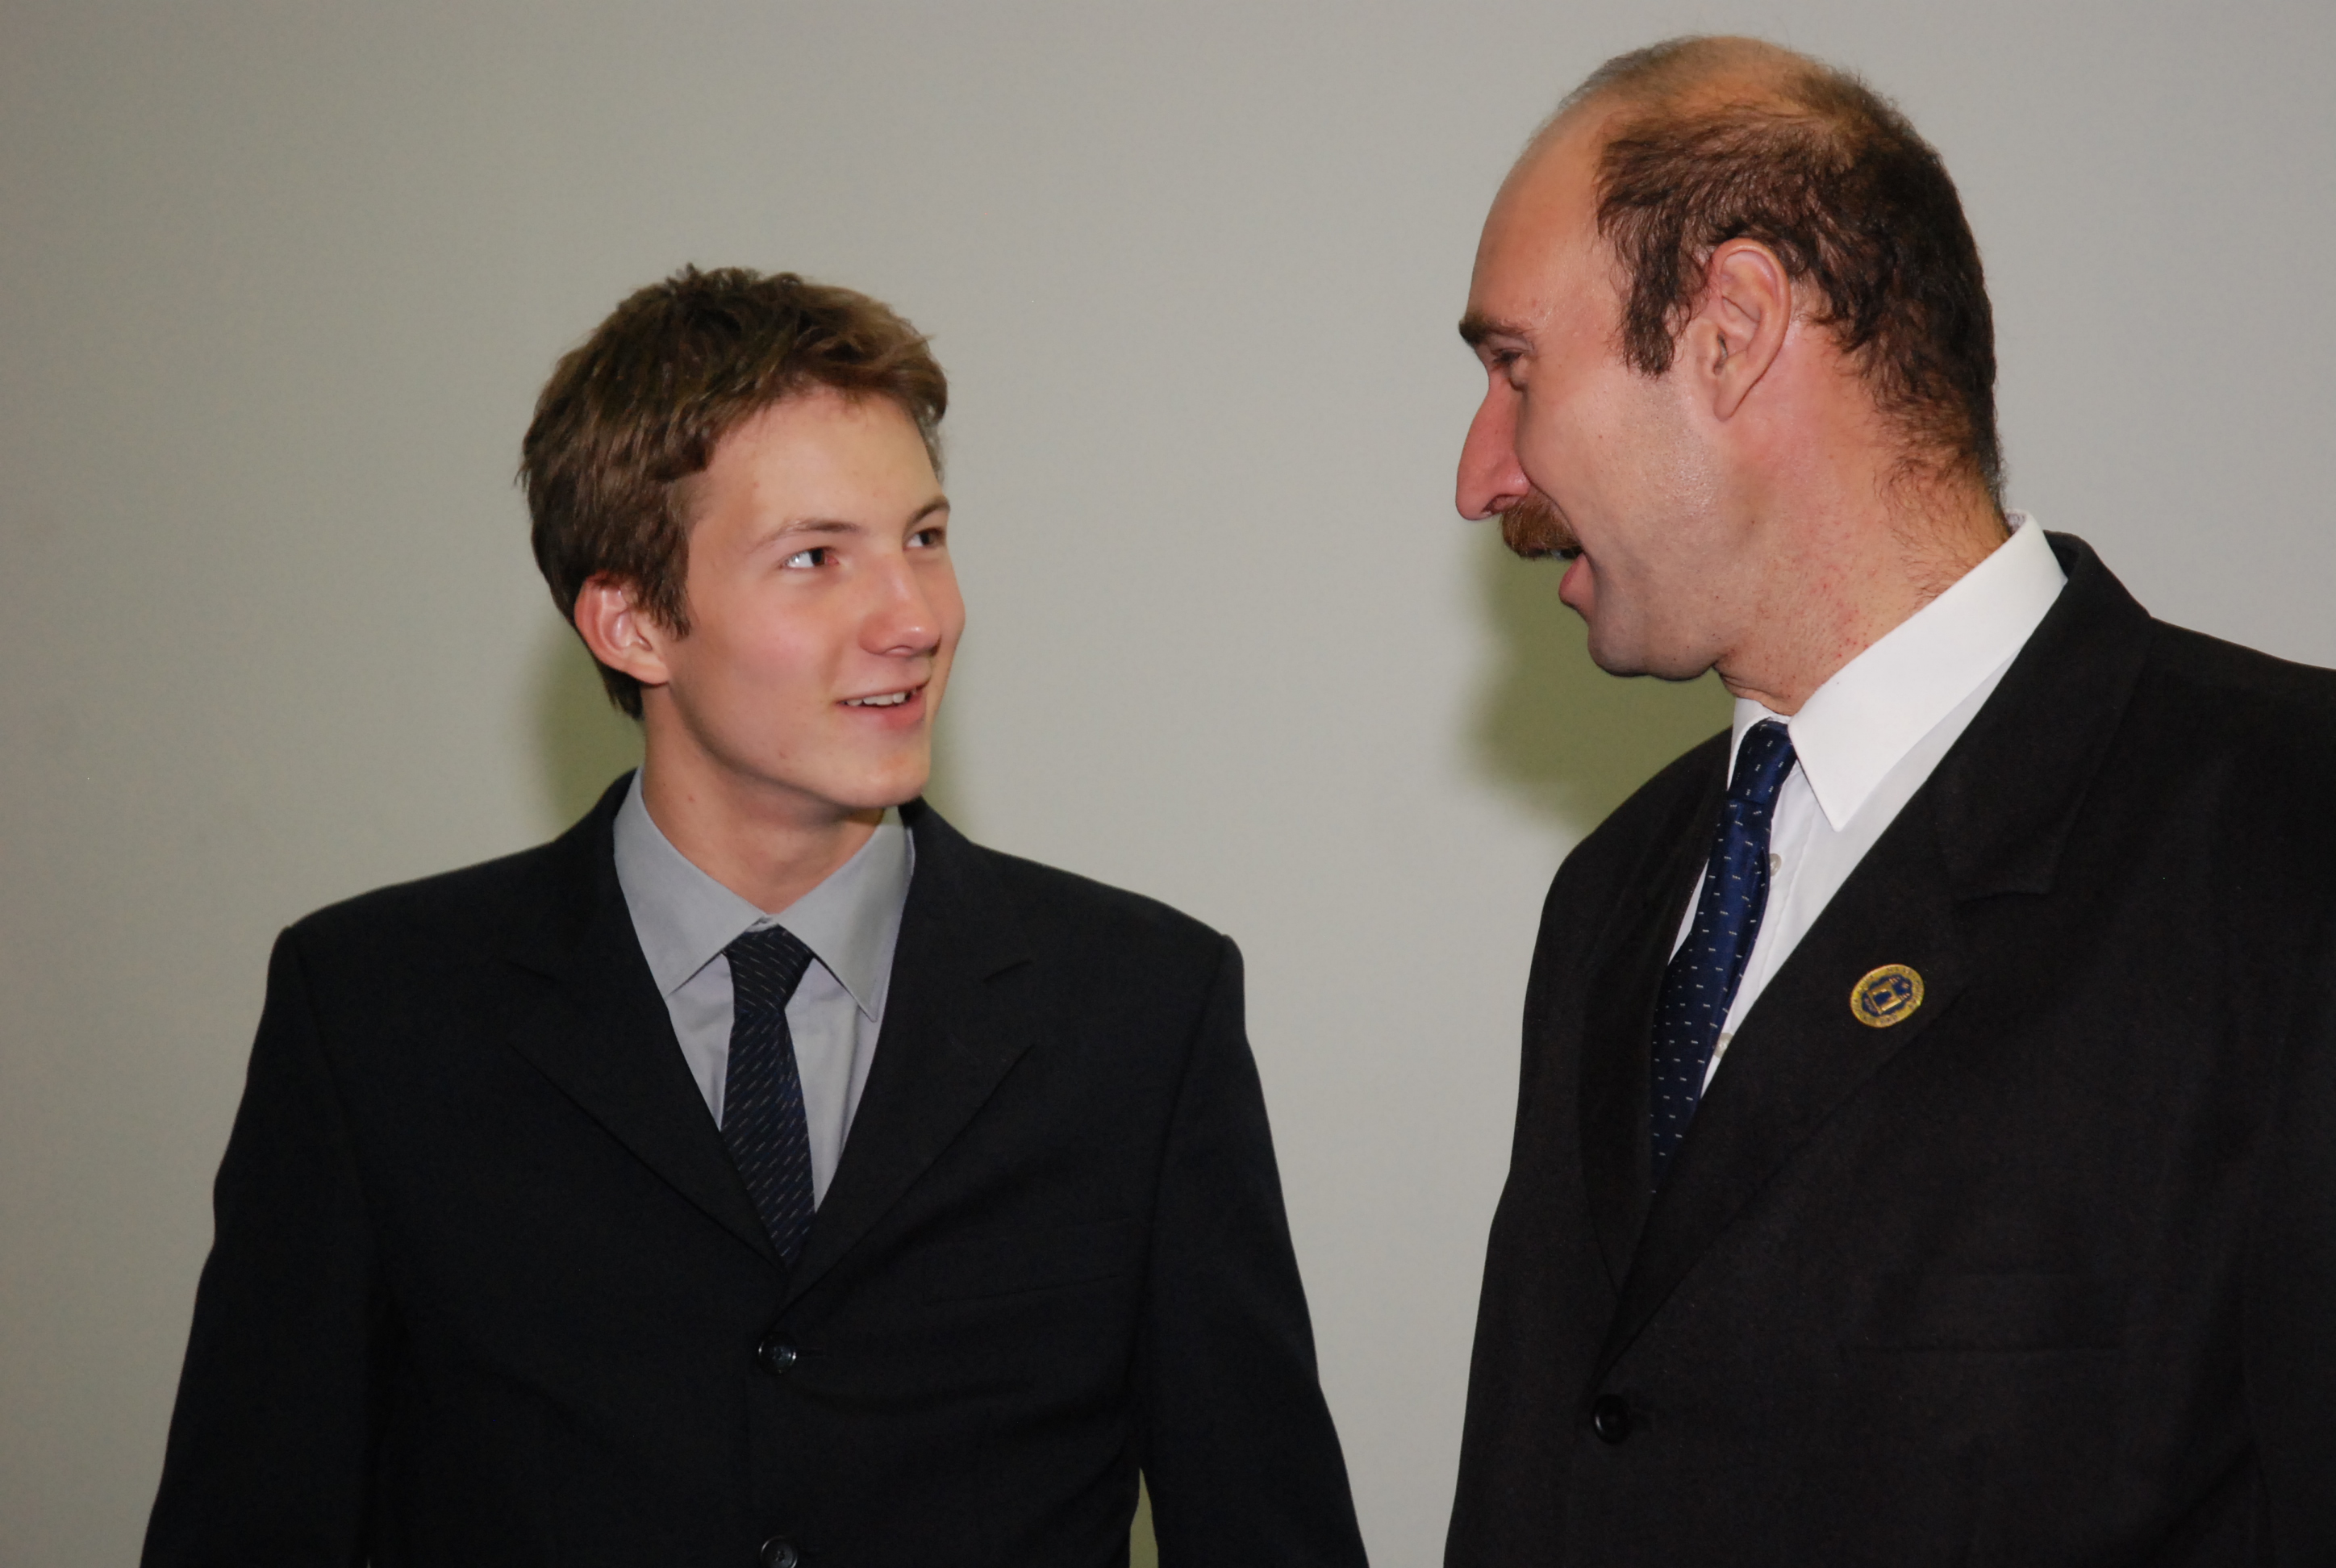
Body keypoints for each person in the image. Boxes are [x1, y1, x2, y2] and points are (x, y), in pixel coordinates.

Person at [143, 267, 1368, 1568]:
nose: (916, 618)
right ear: (631, 622)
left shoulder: (1141, 1009)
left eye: (926, 537)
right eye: (815, 558)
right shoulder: (375, 1014)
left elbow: (1267, 1526)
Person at [1444, 36, 2336, 1566]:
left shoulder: (2287, 832)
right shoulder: (1617, 890)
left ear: (1732, 331)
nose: (1481, 477)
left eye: (1516, 369)